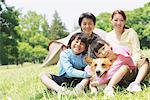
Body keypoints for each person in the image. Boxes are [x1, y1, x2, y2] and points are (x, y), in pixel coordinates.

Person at [106, 9, 149, 92]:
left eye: (121, 20)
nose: (119, 23)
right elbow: (108, 55)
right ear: (111, 21)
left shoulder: (131, 32)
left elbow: (136, 51)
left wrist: (132, 63)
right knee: (122, 67)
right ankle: (112, 86)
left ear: (125, 21)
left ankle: (136, 83)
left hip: (133, 64)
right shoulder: (108, 36)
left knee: (145, 60)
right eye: (116, 20)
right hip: (118, 68)